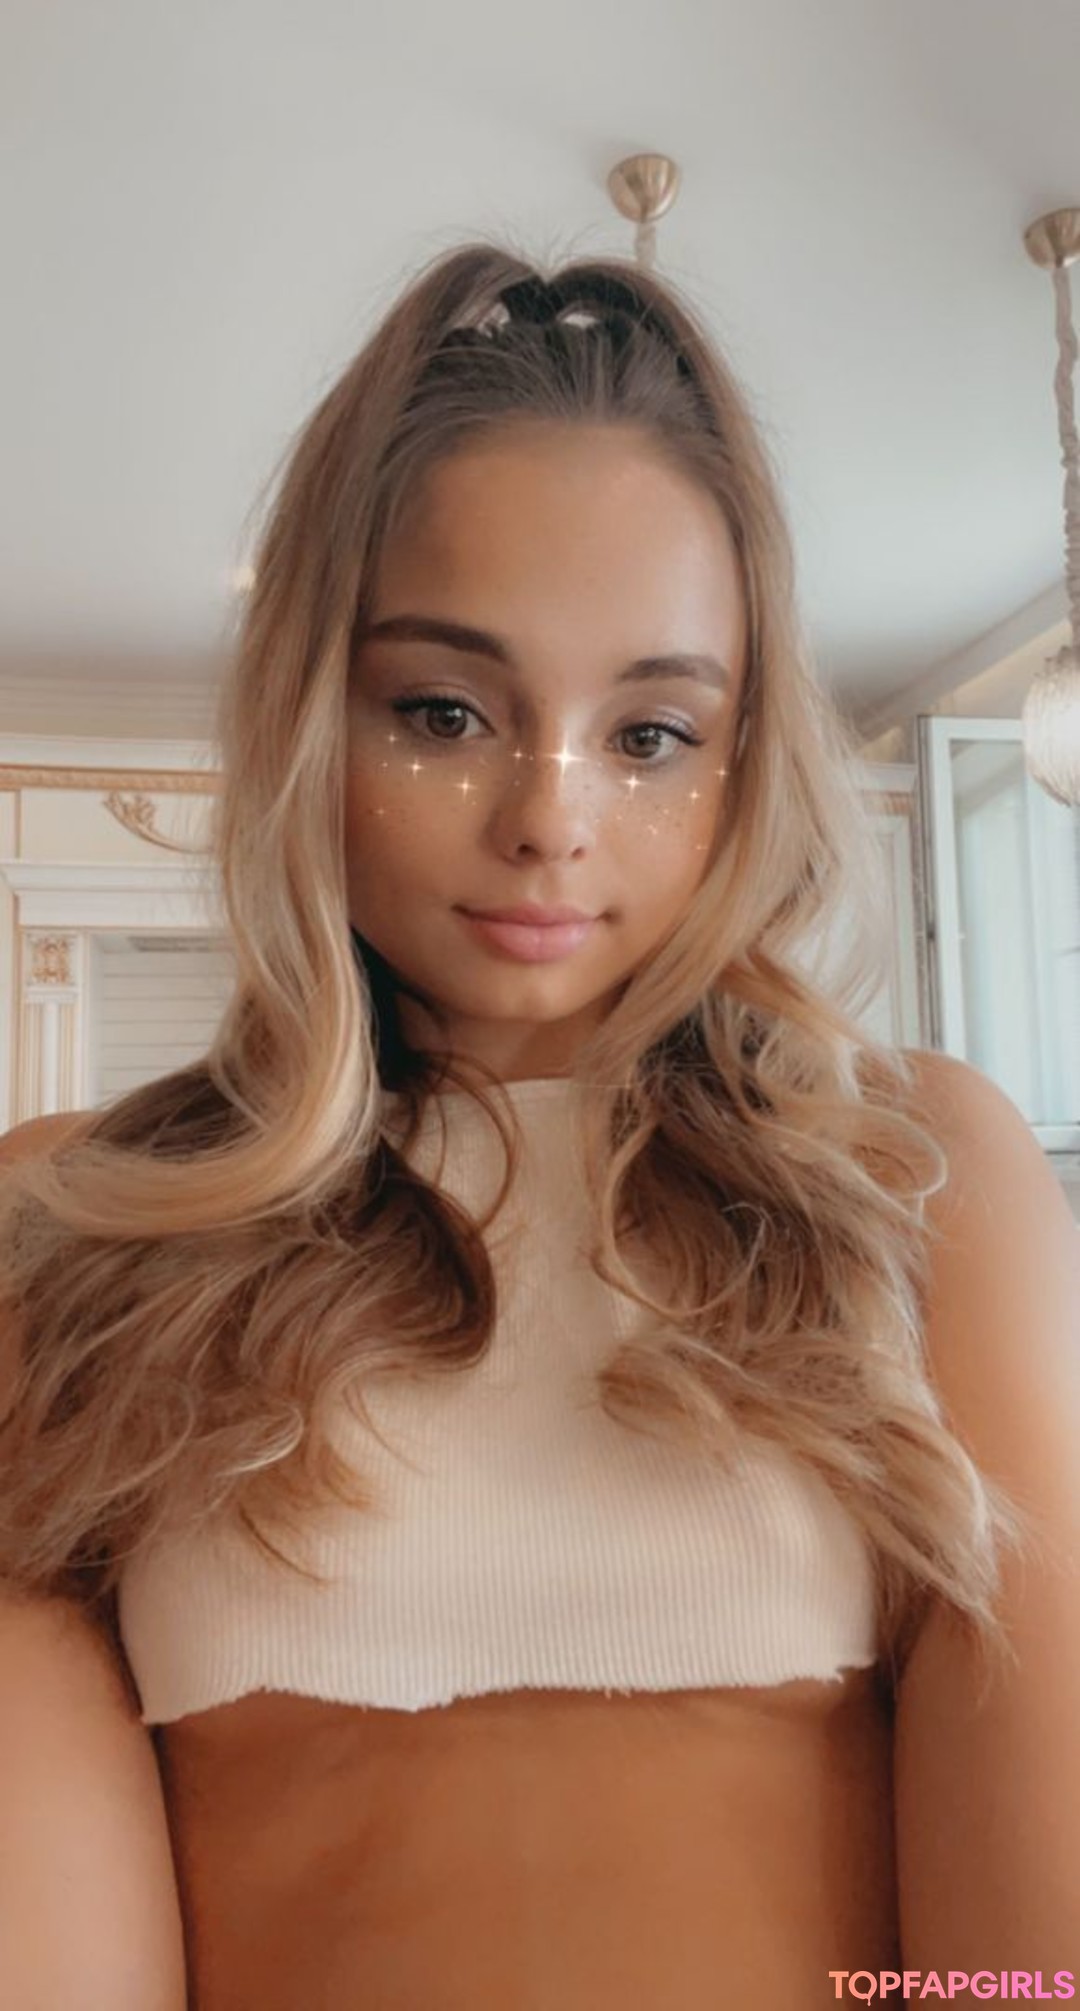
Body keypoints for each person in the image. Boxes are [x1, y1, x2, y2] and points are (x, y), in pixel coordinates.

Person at [1, 244, 1078, 2011]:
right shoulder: (79, 1223)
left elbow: (1027, 1973)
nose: (549, 820)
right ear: (309, 714)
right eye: (444, 712)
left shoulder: (915, 1175)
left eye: (651, 733)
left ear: (743, 760)